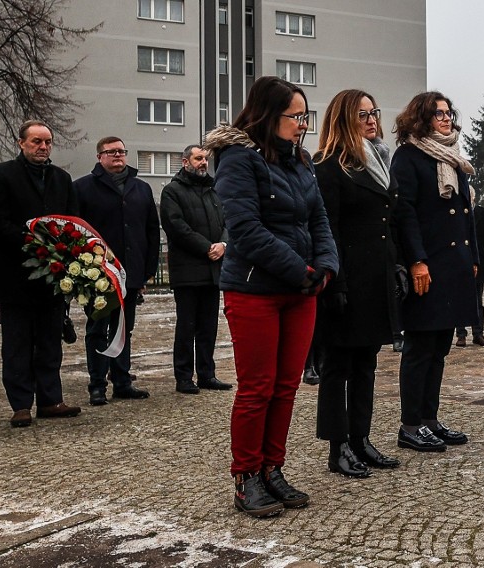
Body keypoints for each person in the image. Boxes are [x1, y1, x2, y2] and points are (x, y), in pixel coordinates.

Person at [203, 76, 338, 517]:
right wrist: (300, 270)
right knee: (257, 388)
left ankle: (272, 468)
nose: (302, 124)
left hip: (300, 291)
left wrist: (326, 265)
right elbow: (246, 230)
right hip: (255, 290)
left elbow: (319, 217)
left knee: (286, 387)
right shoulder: (238, 160)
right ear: (267, 114)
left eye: (304, 116)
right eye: (294, 116)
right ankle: (246, 477)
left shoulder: (300, 161)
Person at [313, 89, 401, 477]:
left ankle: (361, 439)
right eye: (362, 113)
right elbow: (326, 228)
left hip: (376, 278)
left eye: (374, 112)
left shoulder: (377, 163)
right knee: (338, 366)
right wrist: (336, 283)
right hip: (345, 279)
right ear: (344, 118)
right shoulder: (328, 167)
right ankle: (338, 446)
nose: (371, 119)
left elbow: (386, 223)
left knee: (367, 364)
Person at [390, 91, 478, 452]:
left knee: (440, 347)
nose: (446, 119)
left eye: (448, 113)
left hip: (453, 264)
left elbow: (466, 210)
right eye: (437, 114)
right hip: (428, 263)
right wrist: (416, 260)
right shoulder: (408, 157)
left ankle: (429, 420)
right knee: (420, 347)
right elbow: (404, 214)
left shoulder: (454, 159)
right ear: (421, 119)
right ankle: (410, 425)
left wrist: (474, 258)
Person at [0, 120, 82, 427]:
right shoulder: (1, 175)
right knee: (17, 345)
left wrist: (64, 249)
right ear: (21, 143)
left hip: (51, 277)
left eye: (48, 142)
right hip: (15, 275)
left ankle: (51, 400)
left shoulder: (62, 178)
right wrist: (33, 244)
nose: (43, 147)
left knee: (50, 342)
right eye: (37, 141)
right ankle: (21, 404)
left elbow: (73, 220)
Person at [74, 137, 159, 406]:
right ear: (100, 156)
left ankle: (122, 381)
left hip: (131, 273)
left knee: (124, 329)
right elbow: (76, 232)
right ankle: (97, 384)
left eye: (121, 151)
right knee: (98, 329)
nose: (118, 156)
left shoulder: (141, 188)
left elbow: (151, 230)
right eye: (111, 152)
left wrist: (147, 270)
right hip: (97, 274)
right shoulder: (83, 188)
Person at [159, 144, 233, 395]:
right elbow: (176, 226)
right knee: (187, 325)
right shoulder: (173, 191)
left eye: (205, 159)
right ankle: (183, 377)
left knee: (208, 326)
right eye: (198, 158)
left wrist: (222, 244)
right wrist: (206, 247)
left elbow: (226, 222)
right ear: (185, 162)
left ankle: (206, 373)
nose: (203, 162)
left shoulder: (213, 192)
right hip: (188, 270)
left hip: (213, 269)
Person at [455, 186, 484, 347]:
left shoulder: (482, 213)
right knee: (460, 300)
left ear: (473, 196)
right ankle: (461, 334)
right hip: (459, 262)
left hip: (478, 262)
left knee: (478, 301)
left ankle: (478, 333)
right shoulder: (455, 213)